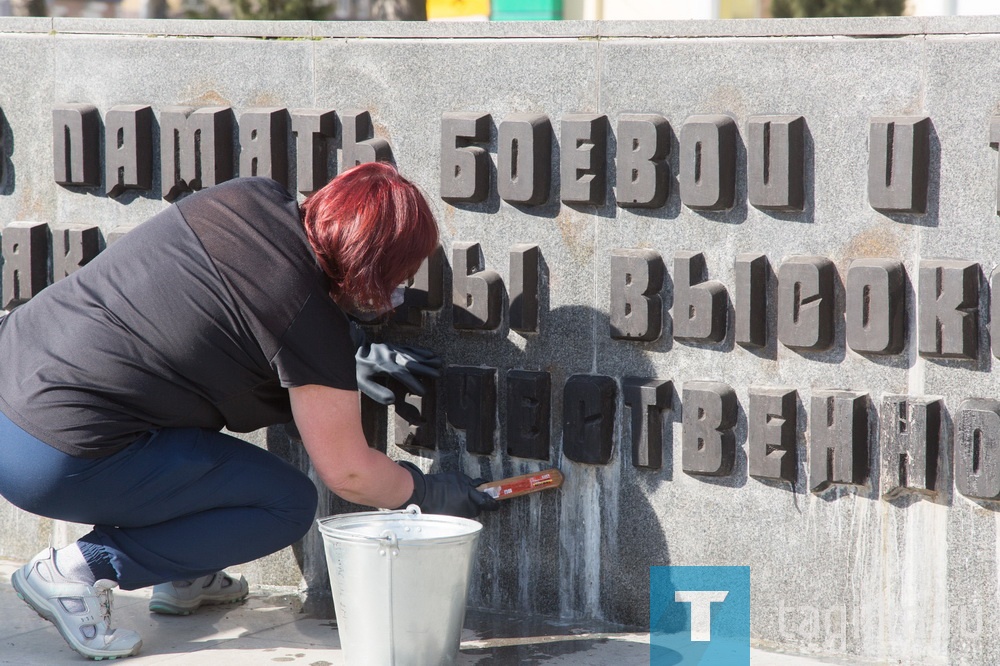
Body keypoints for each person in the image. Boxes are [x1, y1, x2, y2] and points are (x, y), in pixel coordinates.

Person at [0, 162, 499, 660]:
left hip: (14, 381)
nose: (399, 292)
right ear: (371, 267)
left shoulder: (248, 197)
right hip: (54, 457)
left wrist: (348, 349)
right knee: (284, 504)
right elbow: (348, 473)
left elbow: (217, 319)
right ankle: (79, 569)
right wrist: (426, 490)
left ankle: (186, 569)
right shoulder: (309, 323)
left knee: (185, 424)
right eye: (399, 276)